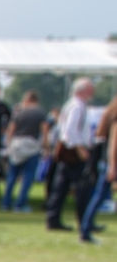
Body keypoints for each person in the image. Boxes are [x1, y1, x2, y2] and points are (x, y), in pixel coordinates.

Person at [46, 78, 97, 232]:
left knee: (60, 188)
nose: (93, 91)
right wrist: (80, 149)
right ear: (82, 91)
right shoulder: (78, 107)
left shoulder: (72, 105)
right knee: (83, 188)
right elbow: (70, 130)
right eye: (90, 88)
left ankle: (53, 219)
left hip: (67, 151)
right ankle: (84, 221)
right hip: (74, 152)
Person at [78, 97, 117, 244]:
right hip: (111, 163)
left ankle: (86, 229)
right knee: (98, 197)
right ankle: (85, 230)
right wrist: (112, 166)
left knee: (98, 197)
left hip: (107, 163)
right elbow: (113, 146)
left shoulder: (109, 117)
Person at [2, 91, 47, 213]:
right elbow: (44, 130)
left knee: (12, 176)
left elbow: (11, 129)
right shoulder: (40, 113)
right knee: (28, 176)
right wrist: (46, 147)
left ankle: (6, 203)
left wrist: (8, 145)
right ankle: (20, 204)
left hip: (17, 144)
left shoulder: (19, 112)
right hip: (31, 144)